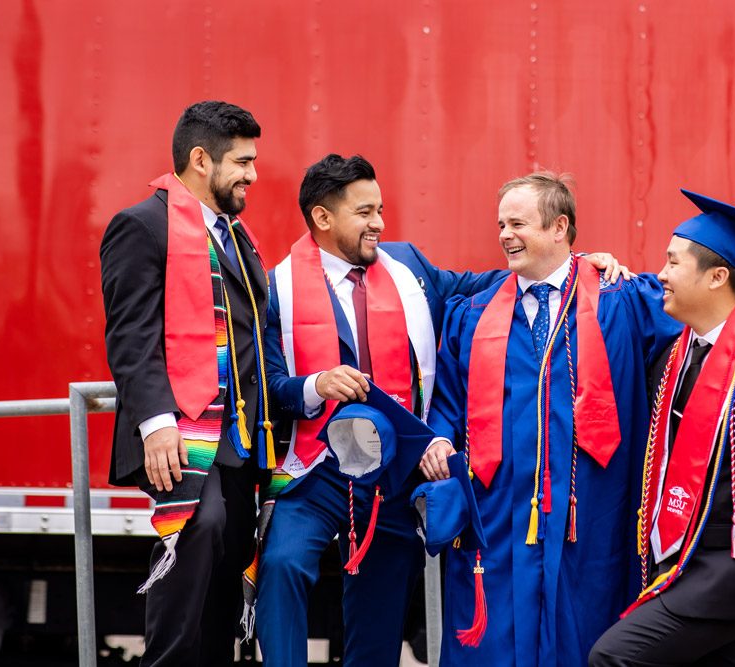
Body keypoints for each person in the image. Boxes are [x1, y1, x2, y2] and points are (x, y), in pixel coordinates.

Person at [419, 174, 735, 667]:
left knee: (589, 641)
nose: (504, 235)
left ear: (559, 227)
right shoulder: (472, 313)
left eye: (517, 223)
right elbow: (448, 407)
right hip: (497, 518)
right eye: (501, 224)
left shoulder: (623, 299)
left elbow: (717, 324)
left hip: (592, 517)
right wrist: (437, 441)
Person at [255, 154, 625, 666]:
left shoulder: (408, 267)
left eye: (380, 209)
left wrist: (577, 266)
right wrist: (316, 384)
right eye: (365, 213)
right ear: (323, 218)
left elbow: (490, 286)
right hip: (319, 469)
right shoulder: (278, 288)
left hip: (393, 477)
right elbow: (269, 387)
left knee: (377, 622)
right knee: (284, 564)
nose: (379, 223)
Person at [588, 190, 735, 667]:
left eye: (673, 263)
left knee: (612, 657)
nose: (661, 275)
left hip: (729, 574)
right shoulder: (670, 359)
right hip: (672, 563)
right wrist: (587, 267)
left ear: (717, 277)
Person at [100, 100, 271, 666]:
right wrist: (155, 425)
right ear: (202, 159)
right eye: (242, 161)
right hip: (180, 432)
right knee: (202, 531)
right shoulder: (141, 226)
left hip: (241, 438)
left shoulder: (237, 237)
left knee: (229, 561)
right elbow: (131, 338)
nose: (252, 173)